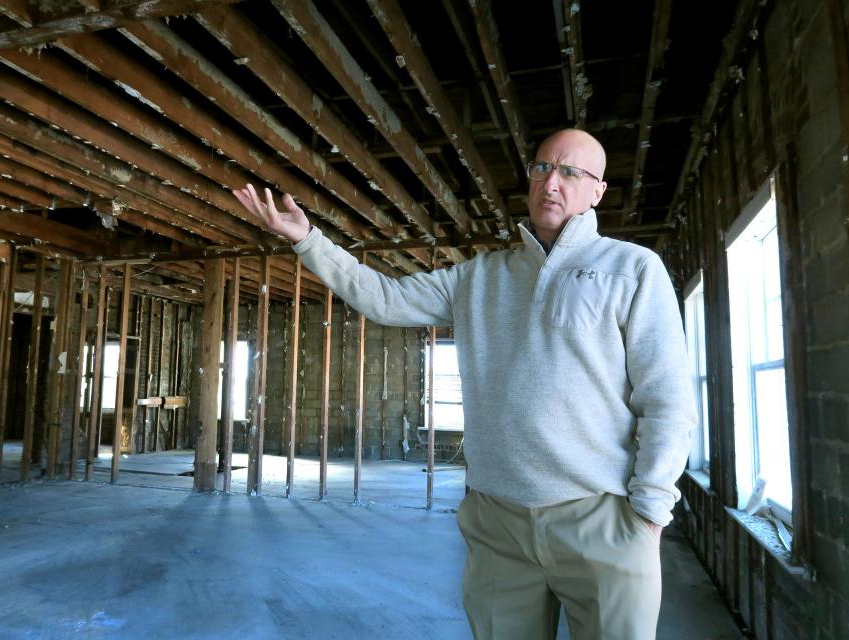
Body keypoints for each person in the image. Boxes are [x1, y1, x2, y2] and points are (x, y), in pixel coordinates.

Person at [234, 128, 695, 640]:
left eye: (570, 172)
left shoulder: (631, 269)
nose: (551, 182)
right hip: (497, 521)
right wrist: (307, 240)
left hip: (600, 517)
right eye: (542, 168)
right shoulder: (480, 276)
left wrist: (649, 512)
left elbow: (667, 398)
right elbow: (384, 298)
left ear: (597, 191)